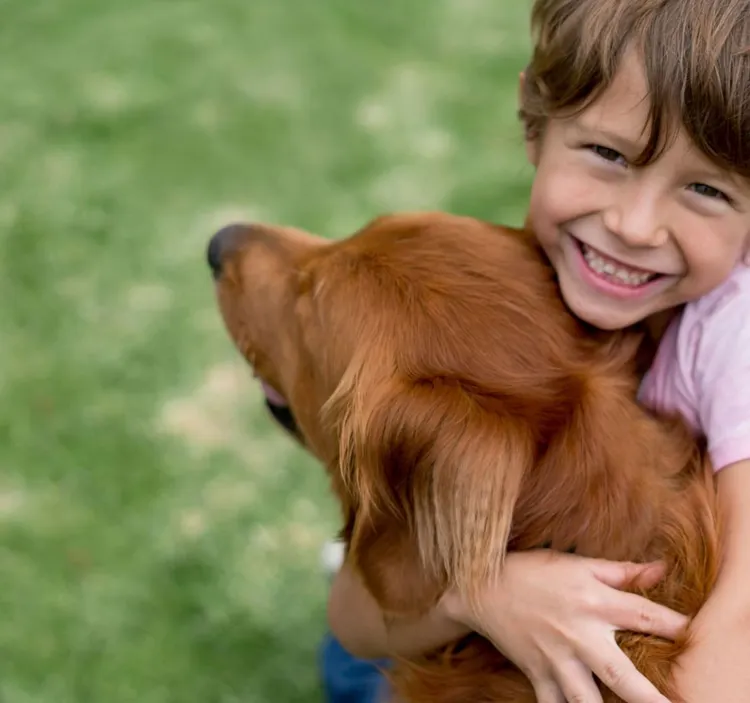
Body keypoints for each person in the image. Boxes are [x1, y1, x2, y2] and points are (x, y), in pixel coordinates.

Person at [320, 0, 750, 701]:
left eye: (704, 189)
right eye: (608, 154)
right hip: (455, 618)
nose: (634, 226)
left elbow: (743, 614)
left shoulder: (734, 330)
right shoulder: (513, 296)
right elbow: (354, 618)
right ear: (533, 117)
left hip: (630, 629)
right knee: (356, 669)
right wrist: (484, 593)